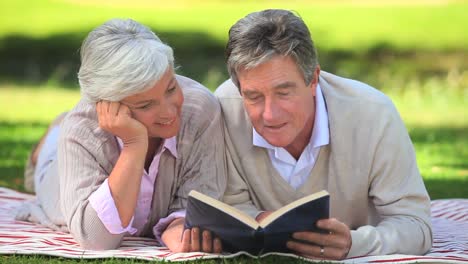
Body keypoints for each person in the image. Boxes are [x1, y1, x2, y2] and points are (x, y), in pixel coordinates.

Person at [215, 9, 432, 260]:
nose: (270, 115)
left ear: (313, 79)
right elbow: (229, 204)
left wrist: (354, 243)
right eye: (253, 97)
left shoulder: (373, 114)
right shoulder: (224, 109)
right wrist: (257, 220)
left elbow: (416, 226)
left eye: (284, 93)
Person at [16, 18, 226, 253]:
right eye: (146, 105)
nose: (169, 111)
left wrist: (178, 224)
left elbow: (202, 193)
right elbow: (96, 239)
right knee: (48, 162)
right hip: (57, 174)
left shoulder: (200, 109)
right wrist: (134, 144)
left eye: (171, 88)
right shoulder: (82, 129)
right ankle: (48, 142)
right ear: (107, 103)